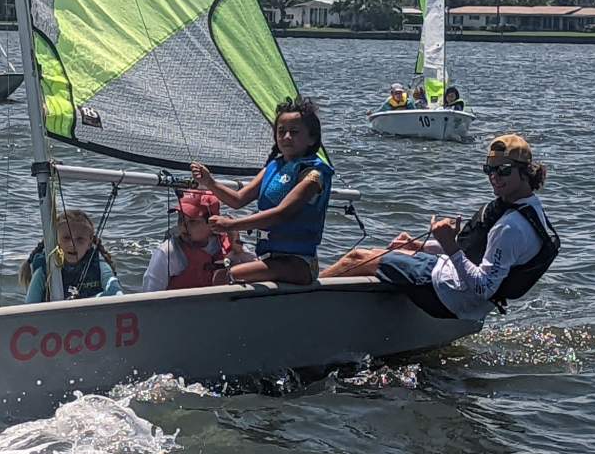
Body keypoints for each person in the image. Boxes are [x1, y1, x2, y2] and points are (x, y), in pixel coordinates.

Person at [320, 134, 559, 321]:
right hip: (454, 285)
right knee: (387, 253)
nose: (494, 176)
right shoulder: (529, 207)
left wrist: (450, 245)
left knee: (357, 258)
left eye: (503, 170)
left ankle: (299, 297)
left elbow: (482, 288)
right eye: (490, 169)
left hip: (449, 295)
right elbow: (475, 254)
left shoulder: (510, 227)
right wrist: (419, 246)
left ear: (526, 172)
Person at [191, 96, 334, 285]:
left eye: (294, 132)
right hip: (270, 258)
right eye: (281, 132)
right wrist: (210, 182)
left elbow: (282, 213)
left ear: (312, 138)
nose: (286, 137)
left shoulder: (313, 175)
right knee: (215, 269)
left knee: (225, 276)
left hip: (299, 263)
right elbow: (238, 200)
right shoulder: (273, 167)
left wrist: (231, 225)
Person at [142, 189, 242, 292]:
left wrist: (238, 252)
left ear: (213, 222)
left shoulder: (229, 243)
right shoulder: (169, 253)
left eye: (192, 221)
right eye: (180, 219)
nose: (183, 226)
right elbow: (149, 295)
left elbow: (255, 277)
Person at [20, 209, 124, 303]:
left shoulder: (100, 266)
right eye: (66, 238)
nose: (72, 244)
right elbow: (30, 305)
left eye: (80, 239)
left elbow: (117, 294)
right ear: (57, 241)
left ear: (89, 243)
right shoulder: (44, 270)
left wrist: (80, 303)